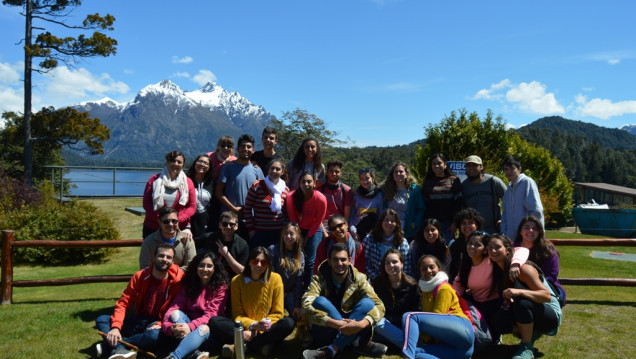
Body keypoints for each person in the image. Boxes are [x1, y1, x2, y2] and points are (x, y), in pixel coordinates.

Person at [96, 244, 185, 359]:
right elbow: (124, 302)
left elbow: (179, 306)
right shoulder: (140, 276)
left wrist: (162, 323)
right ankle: (118, 347)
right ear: (154, 257)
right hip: (139, 319)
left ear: (173, 261)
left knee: (153, 336)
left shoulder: (178, 280)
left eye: (168, 257)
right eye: (161, 256)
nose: (164, 260)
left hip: (159, 323)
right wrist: (115, 327)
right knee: (102, 319)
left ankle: (111, 346)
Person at [302, 243, 387, 359]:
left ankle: (331, 350)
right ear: (329, 261)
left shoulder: (360, 279)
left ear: (350, 260)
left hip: (354, 324)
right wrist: (339, 324)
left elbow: (380, 305)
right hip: (327, 330)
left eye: (343, 260)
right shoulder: (319, 279)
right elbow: (305, 307)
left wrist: (360, 324)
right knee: (320, 301)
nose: (339, 264)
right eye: (335, 260)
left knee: (368, 303)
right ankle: (356, 341)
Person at [208, 247, 295, 358]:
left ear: (267, 265)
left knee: (289, 323)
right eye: (255, 261)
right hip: (245, 327)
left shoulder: (275, 279)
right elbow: (237, 314)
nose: (258, 265)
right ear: (249, 262)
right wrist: (252, 326)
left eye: (263, 262)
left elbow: (278, 313)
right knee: (215, 321)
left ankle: (243, 345)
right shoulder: (237, 281)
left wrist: (257, 330)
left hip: (266, 327)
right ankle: (261, 345)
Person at [487, 234, 562, 359]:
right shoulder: (499, 269)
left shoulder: (523, 269)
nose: (493, 251)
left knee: (522, 301)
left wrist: (519, 292)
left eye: (497, 247)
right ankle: (530, 333)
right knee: (498, 319)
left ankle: (526, 347)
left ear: (507, 250)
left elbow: (546, 296)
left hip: (549, 314)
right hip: (531, 308)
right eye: (489, 248)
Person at [453, 231, 528, 340]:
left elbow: (522, 250)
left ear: (485, 248)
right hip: (476, 302)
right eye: (470, 243)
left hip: (496, 303)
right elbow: (458, 286)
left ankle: (517, 330)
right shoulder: (466, 264)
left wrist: (515, 264)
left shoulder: (491, 260)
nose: (472, 247)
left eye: (478, 245)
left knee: (494, 321)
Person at [401, 255, 475, 359]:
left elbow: (438, 316)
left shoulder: (443, 288)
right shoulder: (425, 290)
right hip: (461, 350)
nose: (428, 271)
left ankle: (406, 356)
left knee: (409, 316)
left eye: (431, 267)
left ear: (439, 268)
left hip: (462, 330)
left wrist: (422, 339)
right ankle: (410, 354)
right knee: (416, 353)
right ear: (420, 272)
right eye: (424, 268)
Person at [161, 252, 229, 359]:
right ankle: (193, 352)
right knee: (175, 313)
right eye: (201, 265)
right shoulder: (189, 284)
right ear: (196, 267)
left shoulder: (220, 287)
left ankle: (175, 357)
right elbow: (174, 307)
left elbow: (211, 315)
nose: (205, 269)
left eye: (209, 266)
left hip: (208, 332)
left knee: (203, 327)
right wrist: (168, 327)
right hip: (187, 328)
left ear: (215, 268)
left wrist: (190, 326)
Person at [215, 134, 264, 240]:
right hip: (228, 220)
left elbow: (262, 195)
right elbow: (218, 192)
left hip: (250, 220)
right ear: (237, 149)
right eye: (243, 146)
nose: (245, 149)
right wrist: (233, 209)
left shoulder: (257, 170)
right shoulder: (227, 167)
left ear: (253, 150)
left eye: (249, 147)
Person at [371, 249, 419, 349]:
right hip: (385, 324)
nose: (391, 265)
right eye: (387, 263)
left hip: (404, 324)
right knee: (377, 321)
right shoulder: (377, 283)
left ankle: (403, 342)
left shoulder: (412, 285)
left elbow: (417, 311)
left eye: (394, 262)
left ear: (402, 264)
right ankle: (409, 345)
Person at [142, 150, 196, 240]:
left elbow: (192, 206)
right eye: (173, 161)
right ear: (167, 162)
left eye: (179, 162)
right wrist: (162, 220)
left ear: (183, 165)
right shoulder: (154, 180)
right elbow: (146, 204)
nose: (175, 164)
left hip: (179, 228)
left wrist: (177, 220)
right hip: (153, 227)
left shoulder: (188, 182)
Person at [287, 171, 327, 288]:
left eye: (309, 181)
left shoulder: (320, 199)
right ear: (299, 183)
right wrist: (299, 237)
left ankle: (308, 288)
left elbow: (318, 221)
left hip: (314, 229)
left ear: (315, 183)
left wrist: (307, 238)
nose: (306, 184)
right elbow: (293, 220)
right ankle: (294, 286)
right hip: (297, 229)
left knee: (310, 261)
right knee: (295, 257)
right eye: (303, 182)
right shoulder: (291, 197)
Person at [513, 216, 566, 304]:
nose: (530, 231)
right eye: (527, 228)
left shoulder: (548, 249)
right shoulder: (512, 248)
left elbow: (552, 275)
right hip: (517, 286)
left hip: (545, 287)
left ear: (539, 232)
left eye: (535, 229)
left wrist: (531, 286)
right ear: (520, 231)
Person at [243, 158, 289, 249]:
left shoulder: (285, 189)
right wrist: (251, 229)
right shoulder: (257, 185)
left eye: (278, 169)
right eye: (272, 168)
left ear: (282, 172)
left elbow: (286, 212)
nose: (274, 171)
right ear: (268, 170)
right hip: (260, 232)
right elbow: (247, 208)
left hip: (278, 232)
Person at [501, 155, 544, 240]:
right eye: (506, 169)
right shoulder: (508, 190)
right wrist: (504, 234)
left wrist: (530, 232)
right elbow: (505, 216)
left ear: (519, 169)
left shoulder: (527, 183)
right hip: (511, 239)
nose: (509, 172)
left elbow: (536, 210)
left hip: (528, 238)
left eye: (512, 168)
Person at [194, 211, 249, 278]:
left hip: (231, 280)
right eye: (224, 224)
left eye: (231, 224)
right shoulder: (209, 237)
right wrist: (186, 230)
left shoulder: (242, 245)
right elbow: (191, 244)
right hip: (210, 278)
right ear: (220, 225)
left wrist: (226, 254)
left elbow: (241, 272)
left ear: (236, 226)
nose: (228, 227)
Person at [421, 153, 462, 242]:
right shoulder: (427, 182)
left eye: (439, 163)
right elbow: (425, 206)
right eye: (434, 163)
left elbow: (458, 204)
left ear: (445, 165)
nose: (436, 165)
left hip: (448, 225)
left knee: (447, 250)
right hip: (432, 226)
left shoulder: (454, 180)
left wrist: (455, 223)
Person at [267, 223, 305, 320]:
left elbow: (298, 282)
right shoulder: (273, 250)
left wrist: (297, 305)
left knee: (298, 317)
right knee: (271, 319)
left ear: (297, 236)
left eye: (291, 234)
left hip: (290, 292)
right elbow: (269, 277)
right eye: (285, 233)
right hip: (274, 292)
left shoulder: (300, 255)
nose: (288, 236)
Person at [461, 155, 507, 234]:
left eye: (475, 165)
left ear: (481, 167)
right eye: (468, 165)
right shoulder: (464, 186)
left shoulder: (493, 181)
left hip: (495, 229)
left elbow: (510, 201)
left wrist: (505, 219)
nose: (471, 168)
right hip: (474, 231)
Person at [362, 209, 412, 280]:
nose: (389, 223)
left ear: (397, 224)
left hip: (397, 281)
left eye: (392, 221)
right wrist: (378, 280)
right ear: (381, 222)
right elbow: (365, 263)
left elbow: (407, 267)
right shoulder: (369, 239)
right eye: (386, 220)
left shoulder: (403, 242)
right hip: (375, 280)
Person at [381, 161, 426, 240]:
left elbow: (421, 209)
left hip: (408, 231)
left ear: (406, 174)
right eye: (396, 172)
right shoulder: (386, 189)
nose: (398, 174)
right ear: (393, 175)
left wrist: (415, 223)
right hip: (390, 229)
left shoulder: (415, 190)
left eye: (401, 171)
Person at [448, 207, 483, 283]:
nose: (467, 226)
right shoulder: (454, 245)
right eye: (463, 223)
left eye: (470, 222)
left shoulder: (484, 242)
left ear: (476, 225)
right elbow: (453, 269)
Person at [319, 159, 353, 236]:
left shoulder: (346, 190)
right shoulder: (320, 189)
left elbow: (346, 217)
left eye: (337, 172)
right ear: (327, 172)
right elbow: (317, 214)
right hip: (322, 226)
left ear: (341, 173)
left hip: (339, 225)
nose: (334, 174)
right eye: (331, 171)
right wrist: (324, 233)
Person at [350, 168, 384, 241]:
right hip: (357, 232)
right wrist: (354, 233)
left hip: (373, 232)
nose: (365, 181)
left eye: (367, 178)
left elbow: (381, 216)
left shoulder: (379, 195)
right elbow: (351, 218)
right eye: (362, 179)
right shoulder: (356, 194)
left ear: (373, 178)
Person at [186, 155, 215, 239]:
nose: (202, 164)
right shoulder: (186, 180)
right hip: (187, 225)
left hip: (205, 225)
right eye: (200, 161)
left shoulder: (212, 183)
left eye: (205, 163)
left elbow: (214, 206)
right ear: (195, 163)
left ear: (209, 167)